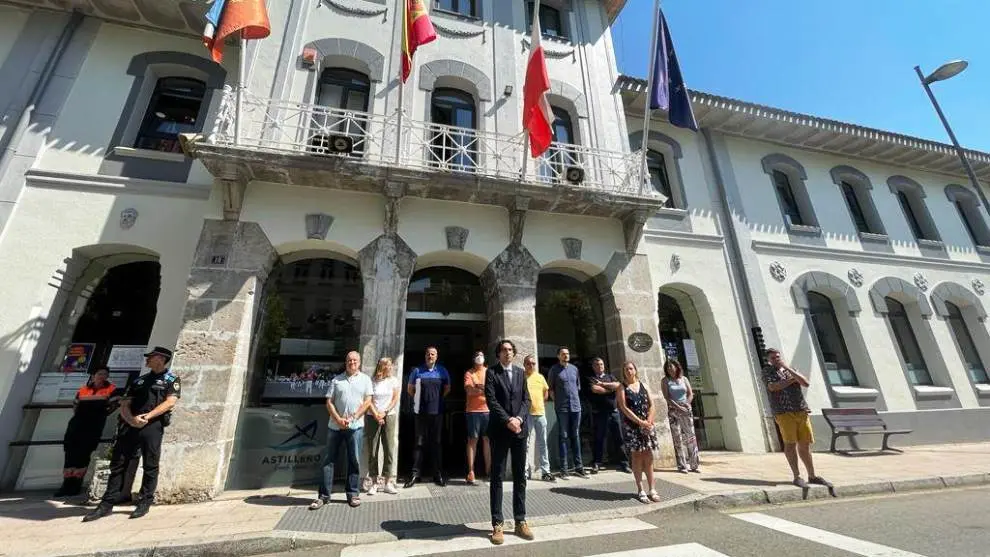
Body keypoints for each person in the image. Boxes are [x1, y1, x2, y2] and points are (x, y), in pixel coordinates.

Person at [83, 347, 180, 521]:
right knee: (118, 463)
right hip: (130, 425)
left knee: (150, 464)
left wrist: (147, 417)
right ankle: (107, 503)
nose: (147, 360)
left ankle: (144, 501)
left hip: (152, 425)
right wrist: (130, 419)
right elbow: (125, 403)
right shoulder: (139, 381)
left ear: (160, 358)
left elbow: (170, 402)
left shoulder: (170, 379)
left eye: (150, 357)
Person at [485, 339, 534, 545]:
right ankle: (497, 523)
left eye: (510, 350)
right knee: (497, 476)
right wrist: (508, 420)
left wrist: (519, 419)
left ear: (514, 354)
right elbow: (491, 399)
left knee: (519, 476)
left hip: (519, 431)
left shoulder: (521, 373)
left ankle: (520, 520)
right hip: (500, 431)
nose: (507, 353)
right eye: (503, 350)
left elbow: (526, 400)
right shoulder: (492, 372)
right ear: (498, 354)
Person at [309, 351, 373, 510]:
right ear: (346, 362)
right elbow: (329, 402)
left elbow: (368, 401)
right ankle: (323, 496)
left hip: (355, 427)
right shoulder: (337, 380)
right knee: (328, 461)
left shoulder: (365, 380)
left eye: (355, 360)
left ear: (359, 362)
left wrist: (354, 417)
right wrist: (338, 419)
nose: (352, 362)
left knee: (354, 461)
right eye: (349, 360)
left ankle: (352, 494)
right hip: (335, 426)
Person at [763, 348, 830, 489]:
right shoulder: (767, 371)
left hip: (801, 410)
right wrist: (792, 380)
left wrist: (789, 370)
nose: (776, 359)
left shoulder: (790, 369)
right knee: (790, 444)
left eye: (778, 356)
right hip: (784, 412)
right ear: (769, 360)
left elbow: (805, 383)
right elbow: (773, 387)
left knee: (805, 444)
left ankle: (812, 475)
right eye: (773, 358)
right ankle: (797, 476)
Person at [55, 368, 120, 497]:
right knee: (70, 455)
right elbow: (76, 405)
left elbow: (114, 405)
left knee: (83, 455)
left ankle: (76, 485)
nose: (102, 377)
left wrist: (101, 416)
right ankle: (66, 485)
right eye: (100, 374)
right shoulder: (84, 389)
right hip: (76, 425)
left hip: (93, 426)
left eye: (105, 375)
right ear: (93, 375)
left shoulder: (111, 389)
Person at [405, 346, 451, 488]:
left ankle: (437, 474)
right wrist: (421, 400)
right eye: (428, 354)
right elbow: (410, 389)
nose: (430, 356)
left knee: (436, 443)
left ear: (436, 356)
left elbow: (447, 388)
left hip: (437, 412)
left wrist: (436, 400)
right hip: (421, 413)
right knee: (419, 443)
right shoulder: (417, 371)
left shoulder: (442, 371)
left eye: (433, 354)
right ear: (425, 356)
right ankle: (415, 474)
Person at [616, 361, 661, 504]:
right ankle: (640, 489)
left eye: (631, 368)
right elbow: (624, 408)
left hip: (647, 425)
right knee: (636, 457)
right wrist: (639, 422)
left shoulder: (643, 385)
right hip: (632, 426)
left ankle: (652, 489)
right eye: (626, 369)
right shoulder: (621, 388)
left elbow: (652, 404)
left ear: (635, 370)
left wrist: (648, 421)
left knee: (648, 456)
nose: (629, 371)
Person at [587, 357, 631, 474]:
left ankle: (624, 464)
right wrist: (609, 390)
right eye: (597, 364)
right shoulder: (591, 378)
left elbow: (618, 386)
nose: (599, 366)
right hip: (600, 413)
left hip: (614, 412)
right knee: (599, 438)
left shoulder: (610, 376)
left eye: (601, 364)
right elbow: (596, 389)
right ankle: (597, 463)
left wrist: (603, 384)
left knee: (619, 438)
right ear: (593, 367)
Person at [547, 346, 585, 479]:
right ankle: (564, 469)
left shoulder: (574, 369)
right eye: (563, 354)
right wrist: (557, 403)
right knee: (563, 436)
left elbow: (577, 387)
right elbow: (551, 390)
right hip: (562, 408)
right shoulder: (554, 370)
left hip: (576, 407)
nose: (566, 356)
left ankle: (579, 467)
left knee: (575, 435)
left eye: (567, 354)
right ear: (558, 356)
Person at [364, 357, 400, 495]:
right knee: (373, 449)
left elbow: (395, 398)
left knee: (389, 449)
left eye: (391, 365)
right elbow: (369, 400)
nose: (391, 367)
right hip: (372, 416)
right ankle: (373, 482)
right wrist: (376, 415)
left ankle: (387, 481)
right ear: (383, 366)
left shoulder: (393, 381)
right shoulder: (372, 381)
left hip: (389, 415)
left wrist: (384, 412)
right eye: (389, 365)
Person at [524, 354, 555, 482]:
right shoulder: (521, 377)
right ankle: (524, 472)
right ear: (524, 365)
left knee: (543, 443)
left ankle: (545, 472)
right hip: (527, 415)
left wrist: (542, 401)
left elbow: (546, 391)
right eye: (529, 363)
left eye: (533, 363)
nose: (531, 365)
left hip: (540, 414)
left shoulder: (540, 377)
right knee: (525, 444)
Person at [464, 350, 491, 485]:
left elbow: (493, 390)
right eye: (477, 355)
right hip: (473, 411)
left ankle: (489, 470)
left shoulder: (489, 372)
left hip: (487, 411)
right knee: (472, 440)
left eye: (481, 355)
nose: (479, 357)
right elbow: (469, 390)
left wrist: (479, 388)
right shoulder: (469, 373)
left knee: (487, 440)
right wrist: (484, 389)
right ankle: (471, 471)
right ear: (473, 359)